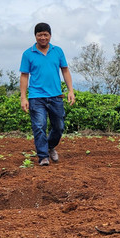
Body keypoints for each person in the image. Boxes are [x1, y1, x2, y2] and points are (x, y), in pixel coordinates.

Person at [20, 23, 76, 166]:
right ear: (35, 36)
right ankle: (43, 156)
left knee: (59, 126)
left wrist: (70, 90)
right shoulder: (28, 54)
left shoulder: (58, 51)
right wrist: (23, 97)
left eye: (45, 34)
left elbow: (65, 70)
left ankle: (50, 146)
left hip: (56, 96)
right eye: (40, 35)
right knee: (39, 126)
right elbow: (24, 76)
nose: (43, 38)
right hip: (36, 96)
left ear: (50, 35)